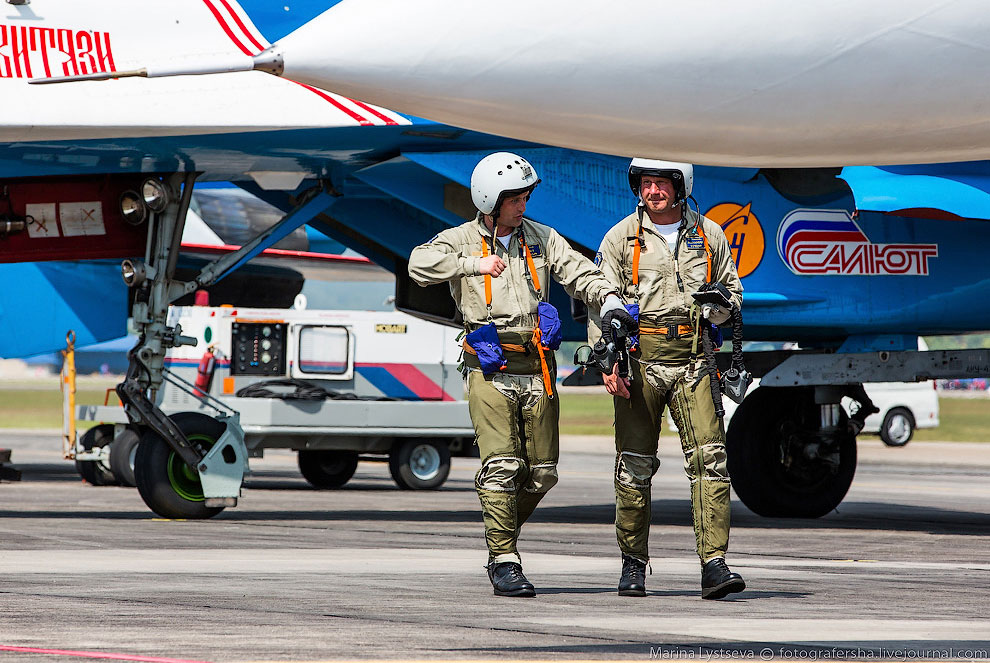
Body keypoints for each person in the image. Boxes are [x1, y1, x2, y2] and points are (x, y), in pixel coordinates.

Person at [409, 152, 632, 598]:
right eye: (514, 197)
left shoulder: (542, 239)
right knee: (502, 466)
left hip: (539, 367)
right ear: (490, 200)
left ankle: (498, 533)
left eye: (526, 195)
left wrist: (607, 300)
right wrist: (472, 265)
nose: (523, 203)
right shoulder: (460, 239)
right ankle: (506, 560)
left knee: (543, 473)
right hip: (491, 366)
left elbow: (579, 272)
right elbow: (418, 265)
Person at [589, 158, 746, 600]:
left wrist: (718, 306)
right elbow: (600, 301)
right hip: (641, 362)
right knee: (634, 466)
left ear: (681, 186)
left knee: (710, 461)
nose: (652, 191)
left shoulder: (710, 235)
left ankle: (714, 564)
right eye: (645, 183)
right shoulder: (620, 238)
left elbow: (733, 293)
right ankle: (633, 563)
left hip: (696, 359)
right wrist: (609, 363)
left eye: (660, 183)